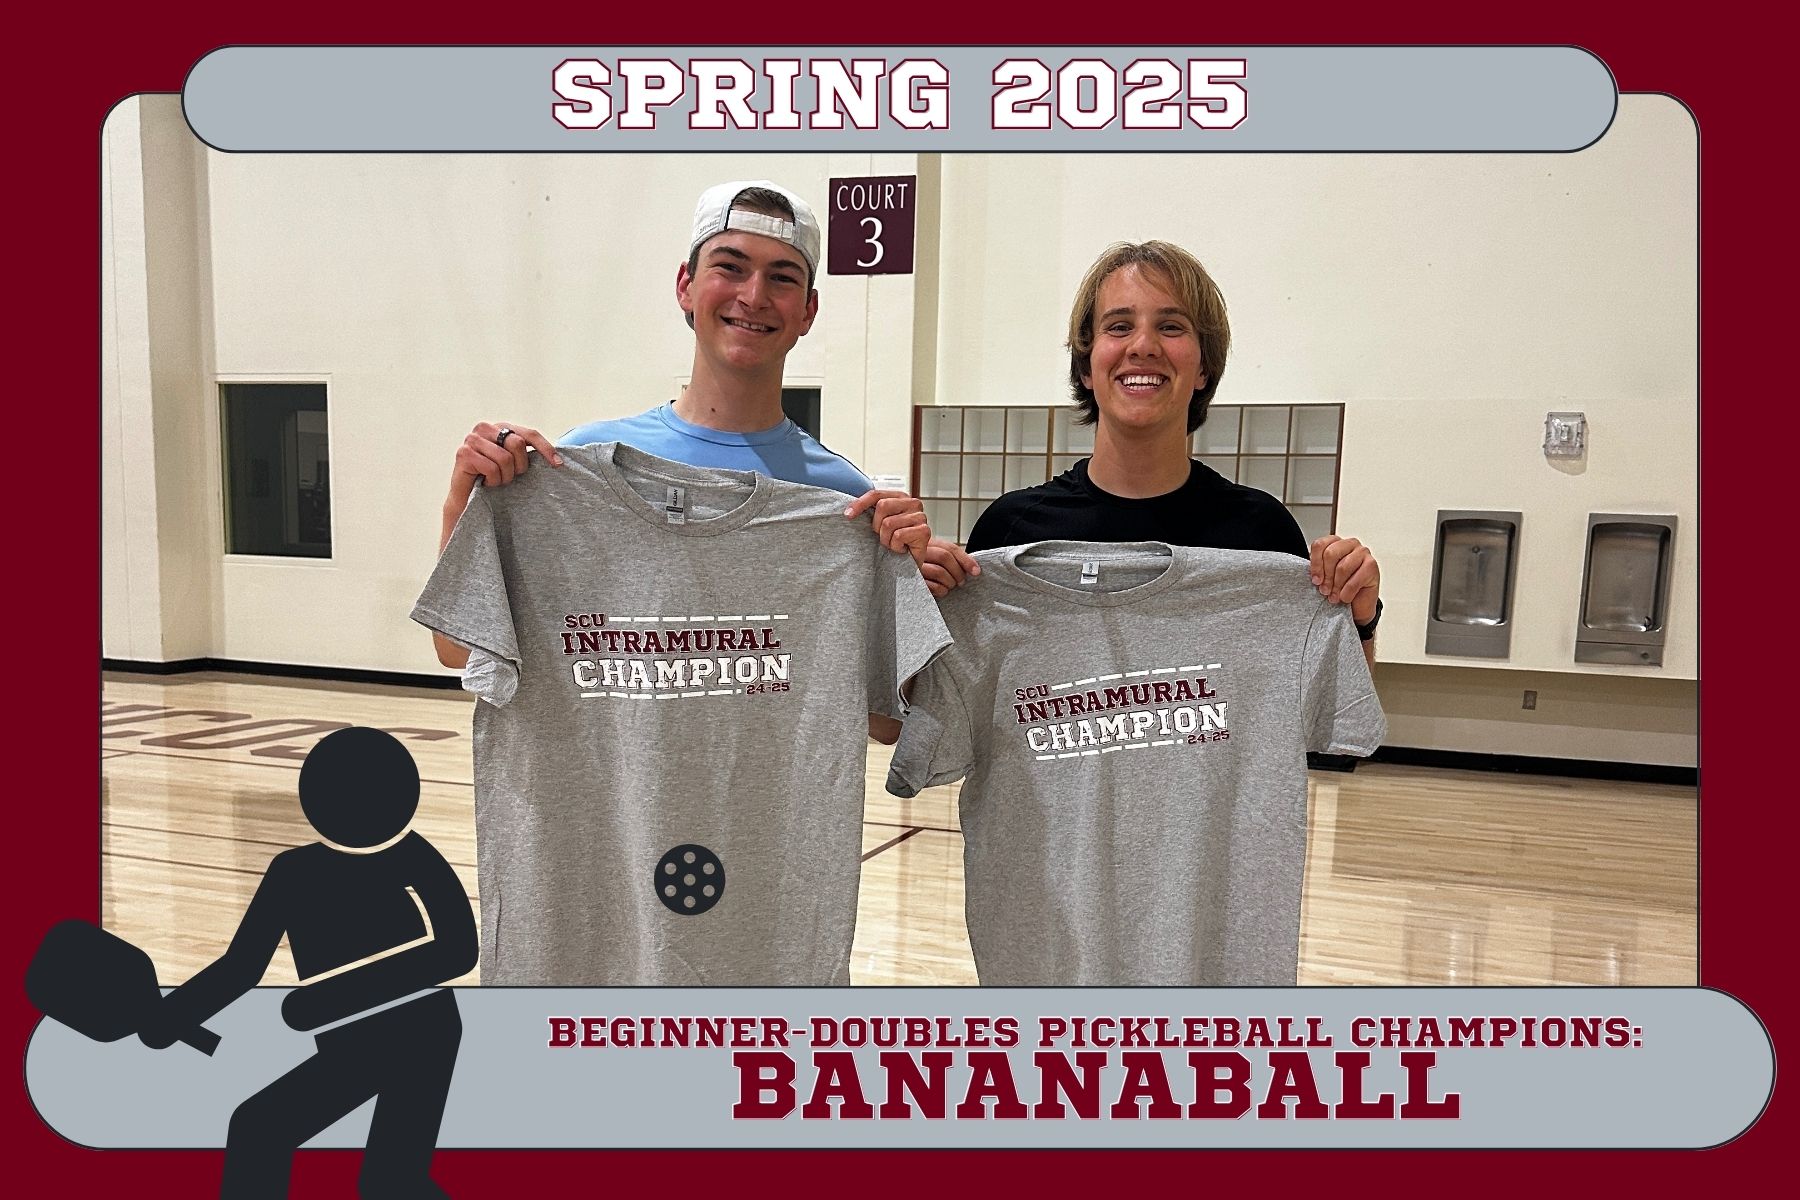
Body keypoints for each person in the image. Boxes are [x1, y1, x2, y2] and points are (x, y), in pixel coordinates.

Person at [430, 179, 977, 740]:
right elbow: (454, 647)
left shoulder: (843, 500)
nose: (755, 295)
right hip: (612, 823)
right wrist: (462, 502)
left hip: (766, 823)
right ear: (685, 286)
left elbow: (883, 725)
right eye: (731, 267)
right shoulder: (576, 468)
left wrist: (915, 587)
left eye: (782, 278)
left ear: (809, 310)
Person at [940, 240, 1382, 663]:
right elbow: (902, 724)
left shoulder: (1262, 537)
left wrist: (1359, 620)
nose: (1143, 346)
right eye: (1119, 326)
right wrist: (911, 600)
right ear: (1085, 366)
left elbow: (1325, 726)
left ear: (1204, 367)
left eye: (1170, 326)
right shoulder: (1010, 533)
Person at [139, 728, 477, 1199]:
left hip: (423, 1032)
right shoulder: (292, 872)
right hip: (348, 1037)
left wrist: (332, 997)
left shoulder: (414, 857)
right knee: (385, 1178)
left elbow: (460, 950)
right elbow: (241, 968)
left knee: (268, 1132)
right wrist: (175, 1014)